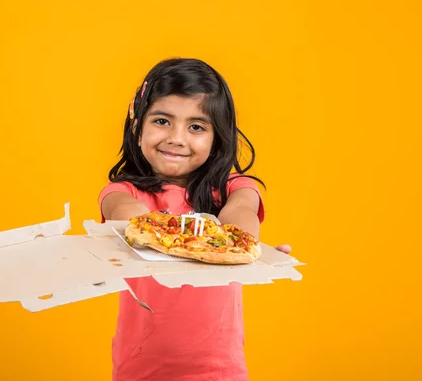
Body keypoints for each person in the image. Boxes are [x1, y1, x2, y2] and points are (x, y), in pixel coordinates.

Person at [98, 57, 292, 380]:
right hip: (140, 369)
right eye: (162, 121)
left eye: (196, 127)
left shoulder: (232, 188)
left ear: (217, 137)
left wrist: (246, 247)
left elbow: (240, 215)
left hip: (218, 371)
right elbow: (128, 218)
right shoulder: (123, 191)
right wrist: (158, 232)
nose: (177, 138)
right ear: (137, 124)